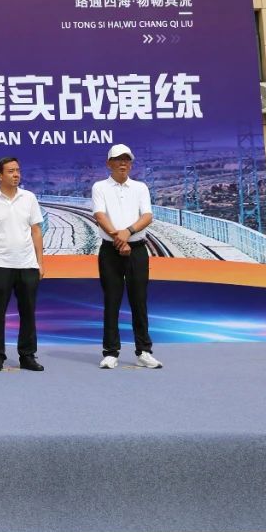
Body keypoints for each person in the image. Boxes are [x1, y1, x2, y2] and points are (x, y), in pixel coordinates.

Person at [92, 143, 161, 369]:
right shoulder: (100, 187)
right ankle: (111, 352)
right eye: (118, 159)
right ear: (108, 163)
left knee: (139, 301)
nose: (123, 163)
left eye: (127, 159)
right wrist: (118, 238)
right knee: (111, 301)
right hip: (110, 250)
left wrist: (128, 233)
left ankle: (144, 351)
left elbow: (147, 216)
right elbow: (100, 215)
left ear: (131, 164)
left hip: (137, 250)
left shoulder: (140, 187)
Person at [0, 156, 45, 372]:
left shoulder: (29, 198)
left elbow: (36, 231)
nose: (16, 175)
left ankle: (27, 355)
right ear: (0, 175)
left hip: (27, 264)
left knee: (28, 312)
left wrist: (40, 263)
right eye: (11, 171)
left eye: (18, 171)